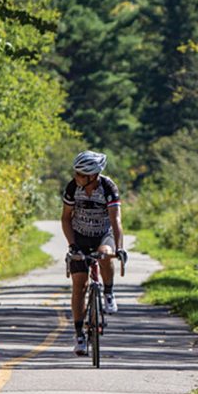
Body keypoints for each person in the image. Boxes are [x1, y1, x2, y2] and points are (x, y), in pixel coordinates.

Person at [61, 150, 127, 356]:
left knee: (106, 254)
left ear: (93, 176)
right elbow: (65, 218)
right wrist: (72, 245)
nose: (76, 177)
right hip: (80, 235)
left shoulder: (108, 187)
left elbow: (116, 221)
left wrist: (120, 247)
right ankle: (79, 334)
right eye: (76, 173)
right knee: (79, 284)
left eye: (81, 175)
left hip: (102, 234)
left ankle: (108, 291)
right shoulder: (73, 187)